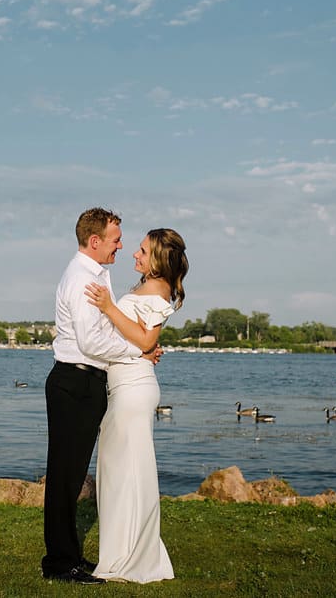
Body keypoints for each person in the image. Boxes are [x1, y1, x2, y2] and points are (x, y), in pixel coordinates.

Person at [41, 207, 150, 585]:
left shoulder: (97, 274)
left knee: (71, 476)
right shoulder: (81, 279)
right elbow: (91, 341)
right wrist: (138, 351)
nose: (120, 246)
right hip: (74, 381)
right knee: (64, 477)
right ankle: (58, 563)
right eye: (116, 239)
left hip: (84, 383)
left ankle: (68, 556)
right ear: (95, 240)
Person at [85, 227, 188, 583]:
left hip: (132, 391)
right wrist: (143, 349)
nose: (134, 254)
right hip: (126, 385)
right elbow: (140, 339)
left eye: (142, 251)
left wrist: (110, 308)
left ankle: (133, 558)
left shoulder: (159, 292)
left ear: (158, 258)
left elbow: (146, 336)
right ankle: (121, 553)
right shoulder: (149, 287)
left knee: (128, 476)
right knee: (118, 476)